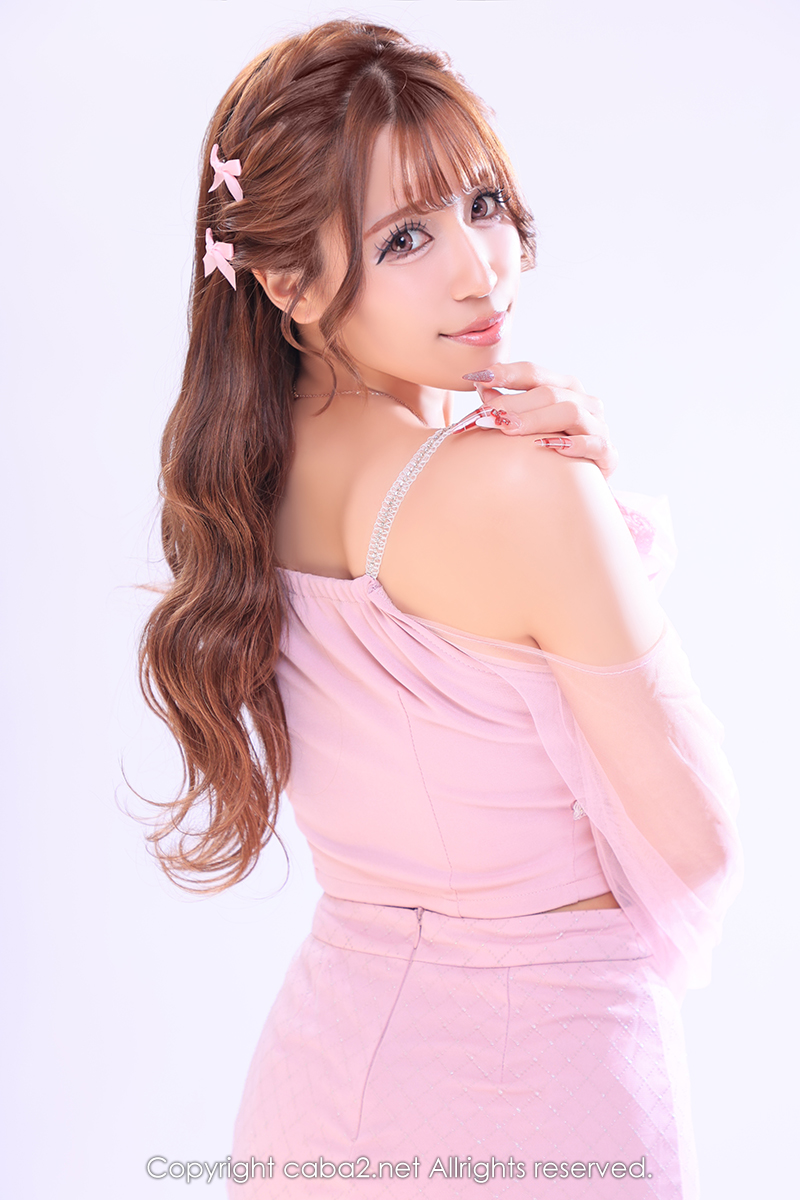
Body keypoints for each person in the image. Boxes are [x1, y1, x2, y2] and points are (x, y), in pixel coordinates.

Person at [139, 18, 742, 1198]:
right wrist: (583, 507)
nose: (479, 269)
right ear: (285, 281)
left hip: (317, 1087)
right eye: (405, 236)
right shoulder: (518, 489)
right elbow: (697, 838)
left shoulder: (242, 481)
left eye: (482, 204)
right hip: (539, 1094)